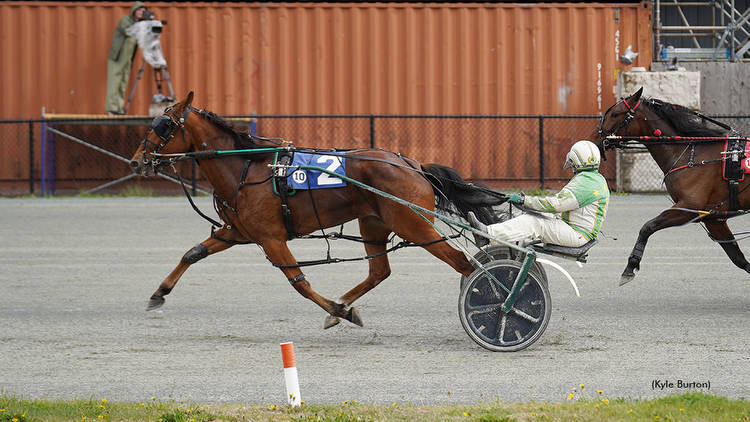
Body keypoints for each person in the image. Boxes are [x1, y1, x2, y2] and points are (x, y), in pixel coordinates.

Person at [468, 140, 610, 248]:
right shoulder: (593, 179)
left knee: (534, 223)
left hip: (577, 234)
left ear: (576, 162)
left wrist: (525, 200)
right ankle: (505, 245)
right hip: (572, 226)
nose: (571, 167)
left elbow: (555, 204)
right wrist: (526, 202)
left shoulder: (586, 183)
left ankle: (486, 235)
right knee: (531, 217)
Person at [105, 1, 149, 115]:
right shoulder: (126, 20)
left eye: (143, 11)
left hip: (127, 59)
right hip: (118, 57)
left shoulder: (139, 24)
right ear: (134, 10)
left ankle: (118, 108)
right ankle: (111, 108)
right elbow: (128, 31)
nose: (141, 13)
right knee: (114, 82)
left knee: (123, 83)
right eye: (139, 10)